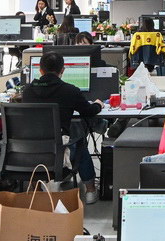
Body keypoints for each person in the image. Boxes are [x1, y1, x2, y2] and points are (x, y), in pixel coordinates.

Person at [17, 50, 104, 203]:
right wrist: (98, 104)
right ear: (62, 70)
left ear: (40, 70)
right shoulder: (70, 91)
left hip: (30, 150)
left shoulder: (28, 91)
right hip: (59, 150)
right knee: (80, 141)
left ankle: (36, 190)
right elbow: (88, 111)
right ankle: (90, 190)